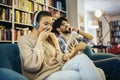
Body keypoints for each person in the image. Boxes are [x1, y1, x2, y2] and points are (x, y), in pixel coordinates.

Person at [18, 11, 105, 80]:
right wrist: (40, 41)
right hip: (43, 76)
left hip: (59, 68)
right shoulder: (24, 40)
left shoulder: (51, 38)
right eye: (45, 24)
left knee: (98, 70)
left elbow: (59, 57)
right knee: (82, 73)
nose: (49, 27)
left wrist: (64, 54)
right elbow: (32, 65)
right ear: (35, 24)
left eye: (50, 24)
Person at [52, 16, 120, 80]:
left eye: (67, 23)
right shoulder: (58, 41)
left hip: (87, 61)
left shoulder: (74, 38)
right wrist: (76, 50)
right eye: (64, 24)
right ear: (58, 29)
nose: (67, 25)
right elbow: (65, 59)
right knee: (116, 62)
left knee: (117, 60)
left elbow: (90, 38)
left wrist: (78, 31)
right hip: (78, 64)